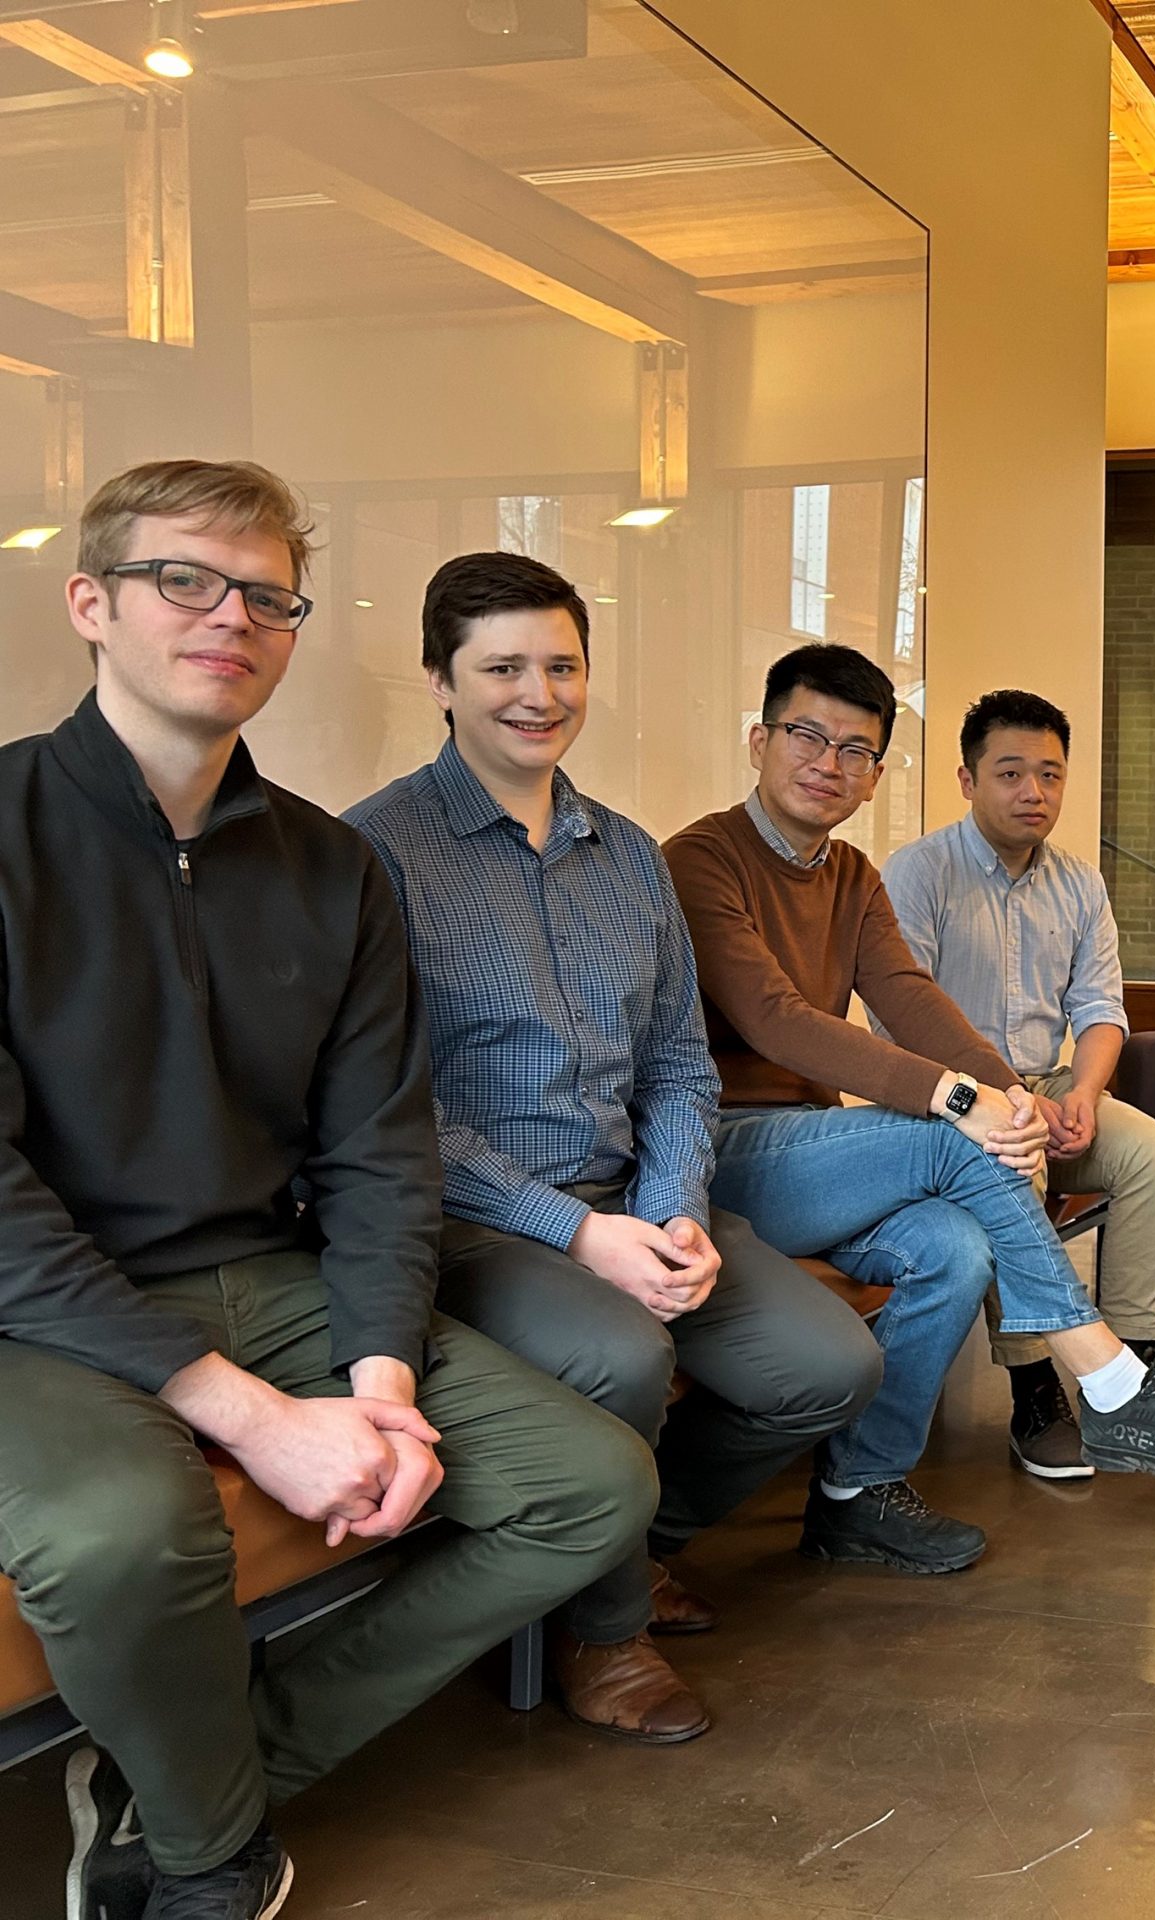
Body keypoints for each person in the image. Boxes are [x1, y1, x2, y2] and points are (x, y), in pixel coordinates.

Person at [7, 463, 654, 1920]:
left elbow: (378, 1149)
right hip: (45, 1310)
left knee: (589, 1485)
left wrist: (377, 1373)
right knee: (123, 1533)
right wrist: (245, 1416)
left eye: (266, 595)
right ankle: (206, 1852)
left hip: (277, 1278)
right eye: (185, 580)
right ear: (90, 604)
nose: (229, 617)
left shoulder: (332, 866)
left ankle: (196, 1772)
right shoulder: (4, 829)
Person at [348, 553, 883, 1747]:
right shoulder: (376, 854)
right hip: (474, 1221)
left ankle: (634, 1545)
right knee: (626, 1352)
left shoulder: (630, 855)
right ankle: (607, 1636)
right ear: (439, 679)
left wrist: (674, 1208)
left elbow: (681, 1069)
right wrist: (579, 1234)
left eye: (561, 665)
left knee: (830, 1365)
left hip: (635, 1197)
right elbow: (391, 1113)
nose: (536, 693)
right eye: (501, 668)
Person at [664, 644, 1155, 1535]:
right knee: (959, 1138)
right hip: (717, 1147)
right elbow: (776, 1020)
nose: (829, 766)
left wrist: (1007, 1094)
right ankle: (1106, 1378)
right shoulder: (699, 858)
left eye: (856, 751)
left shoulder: (853, 876)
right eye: (806, 736)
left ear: (875, 777)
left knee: (953, 1250)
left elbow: (908, 997)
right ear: (759, 741)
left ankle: (855, 1495)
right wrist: (962, 1100)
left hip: (818, 1149)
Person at [879, 690, 1155, 1445]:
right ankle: (1033, 1380)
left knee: (1151, 1153)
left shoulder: (1080, 882)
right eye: (1011, 774)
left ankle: (1135, 1370)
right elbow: (901, 1018)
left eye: (1050, 775)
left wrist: (1083, 1090)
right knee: (1016, 1162)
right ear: (967, 779)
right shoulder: (920, 873)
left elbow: (1101, 1008)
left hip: (1048, 1084)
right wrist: (1005, 1098)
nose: (1034, 793)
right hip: (949, 1101)